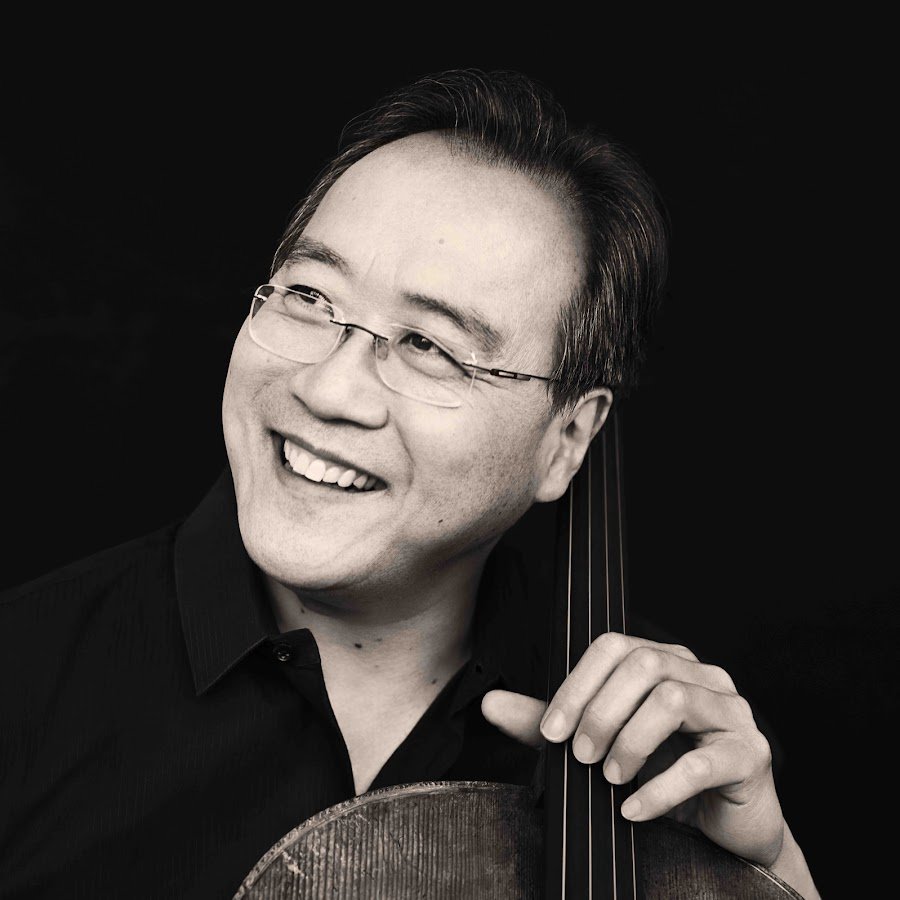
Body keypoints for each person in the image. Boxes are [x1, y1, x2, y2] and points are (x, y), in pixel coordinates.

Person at [0, 69, 820, 899]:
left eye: (429, 346)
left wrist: (768, 873)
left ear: (567, 439)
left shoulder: (660, 745)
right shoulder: (25, 677)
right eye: (309, 296)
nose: (329, 390)